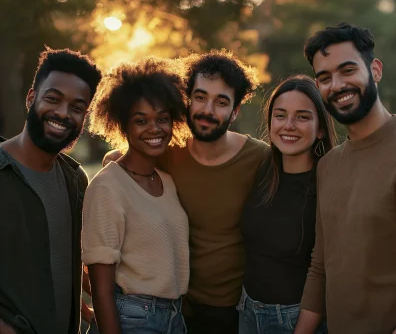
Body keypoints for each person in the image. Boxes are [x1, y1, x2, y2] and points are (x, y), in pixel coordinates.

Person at [104, 50, 270, 334]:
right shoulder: (167, 153)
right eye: (200, 97)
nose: (207, 110)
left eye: (221, 102)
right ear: (187, 99)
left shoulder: (259, 159)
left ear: (235, 111)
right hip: (173, 309)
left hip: (232, 312)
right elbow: (113, 161)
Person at [294, 23, 396, 334]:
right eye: (324, 78)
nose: (337, 85)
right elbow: (320, 266)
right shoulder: (328, 165)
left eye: (347, 70)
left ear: (375, 70)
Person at [82, 58, 190, 334]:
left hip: (175, 317)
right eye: (141, 121)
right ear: (122, 125)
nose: (154, 129)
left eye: (162, 119)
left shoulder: (167, 181)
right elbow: (101, 290)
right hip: (131, 318)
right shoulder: (107, 187)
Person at [0, 48, 102, 334]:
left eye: (77, 107)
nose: (62, 113)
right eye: (53, 99)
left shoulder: (75, 179)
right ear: (31, 97)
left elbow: (61, 260)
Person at [238, 75, 336, 334]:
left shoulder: (330, 185)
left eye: (302, 117)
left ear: (321, 128)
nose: (289, 125)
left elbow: (324, 272)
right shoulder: (260, 168)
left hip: (296, 320)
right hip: (247, 312)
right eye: (280, 115)